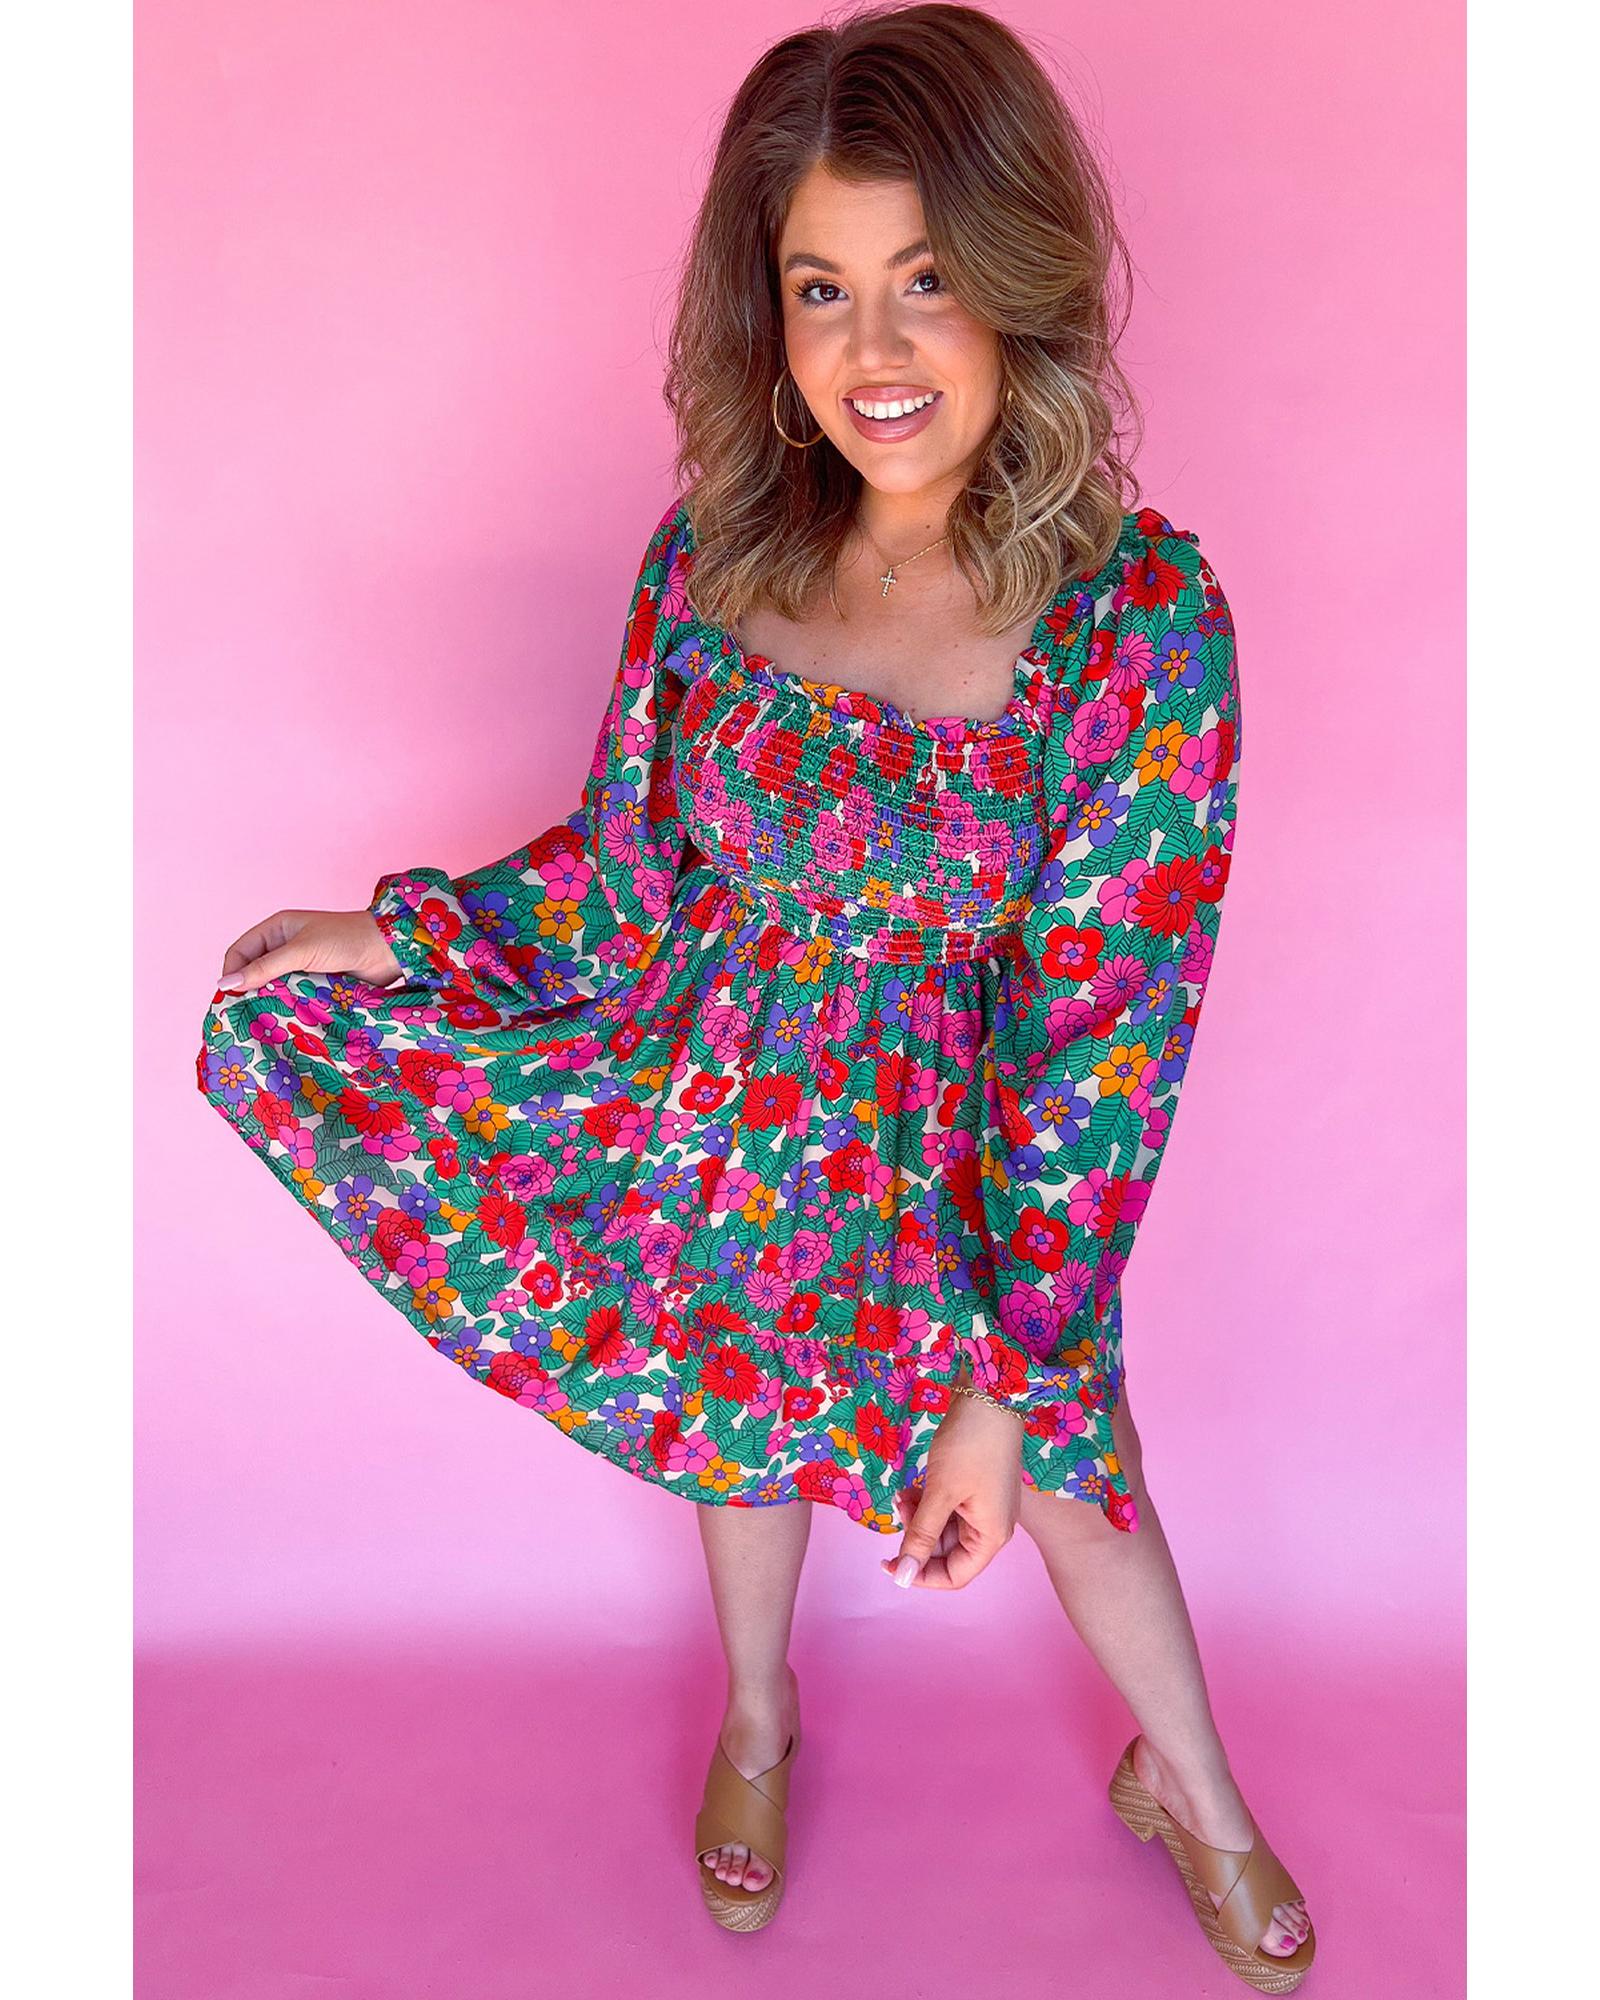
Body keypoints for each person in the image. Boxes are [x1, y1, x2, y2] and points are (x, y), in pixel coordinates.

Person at [196, 2, 1314, 1984]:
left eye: (926, 279)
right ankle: (760, 1718)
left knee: (1079, 1485)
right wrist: (405, 935)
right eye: (820, 286)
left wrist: (1003, 1377)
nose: (874, 348)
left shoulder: (1138, 626)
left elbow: (1107, 1047)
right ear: (764, 308)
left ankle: (1195, 1787)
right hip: (716, 1107)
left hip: (973, 1162)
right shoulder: (714, 561)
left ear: (1021, 278)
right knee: (735, 1428)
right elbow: (625, 879)